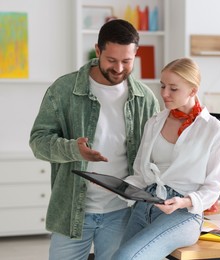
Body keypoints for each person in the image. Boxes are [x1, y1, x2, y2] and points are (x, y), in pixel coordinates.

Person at [29, 19, 160, 260]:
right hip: (72, 211)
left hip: (122, 212)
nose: (119, 68)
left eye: (126, 61)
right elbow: (38, 142)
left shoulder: (145, 98)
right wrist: (73, 150)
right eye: (111, 60)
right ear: (98, 50)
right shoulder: (64, 90)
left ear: (135, 54)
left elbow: (156, 154)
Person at [112, 58, 220, 260]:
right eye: (163, 86)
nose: (164, 94)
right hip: (146, 202)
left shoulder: (214, 130)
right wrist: (121, 187)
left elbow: (212, 188)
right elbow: (140, 173)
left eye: (173, 89)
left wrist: (183, 202)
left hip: (183, 213)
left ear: (193, 90)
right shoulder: (155, 122)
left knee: (125, 257)